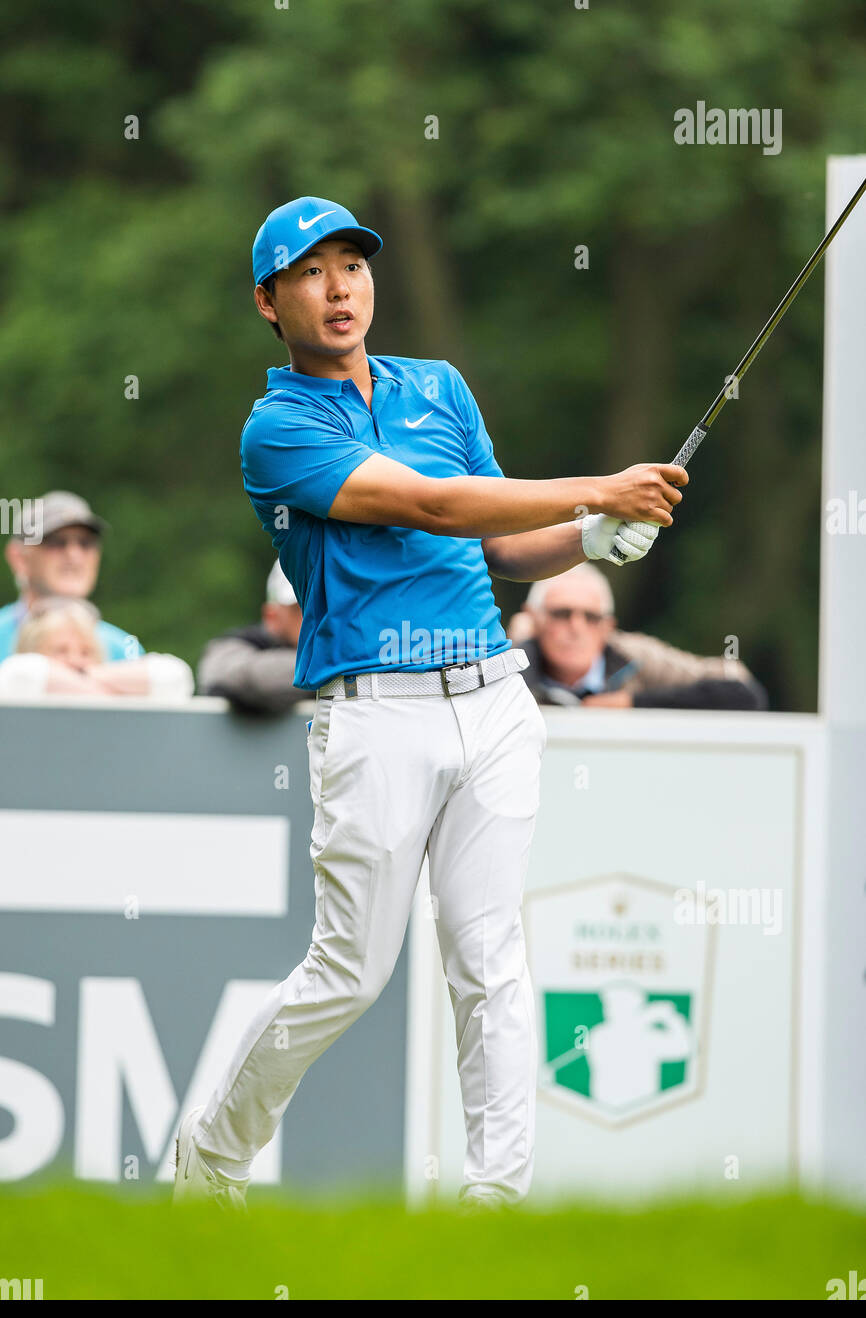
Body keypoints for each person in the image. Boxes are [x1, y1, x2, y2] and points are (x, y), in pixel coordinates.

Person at [172, 194, 688, 1212]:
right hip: (376, 713)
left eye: (352, 268)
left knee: (489, 959)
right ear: (267, 301)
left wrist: (589, 538)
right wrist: (597, 490)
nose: (338, 288)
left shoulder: (437, 387)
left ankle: (493, 1206)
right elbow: (426, 503)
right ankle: (211, 1155)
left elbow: (498, 548)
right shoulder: (277, 428)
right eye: (309, 273)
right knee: (349, 971)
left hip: (494, 697)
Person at [515, 562, 767, 710]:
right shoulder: (508, 660)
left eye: (591, 618)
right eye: (562, 614)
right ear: (534, 619)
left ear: (608, 627)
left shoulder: (634, 655)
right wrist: (523, 648)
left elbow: (743, 693)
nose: (576, 627)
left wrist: (632, 702)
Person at [0, 491, 143, 663]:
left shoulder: (124, 650)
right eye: (56, 542)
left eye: (86, 543)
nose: (74, 555)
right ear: (20, 558)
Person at [0, 597, 193, 701]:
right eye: (60, 651)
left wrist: (88, 675)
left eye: (86, 652)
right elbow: (20, 673)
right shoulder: (14, 680)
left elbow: (175, 676)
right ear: (31, 650)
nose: (75, 660)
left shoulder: (99, 678)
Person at [196, 561, 306, 713]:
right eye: (302, 605)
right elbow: (241, 679)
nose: (317, 615)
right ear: (272, 616)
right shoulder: (236, 646)